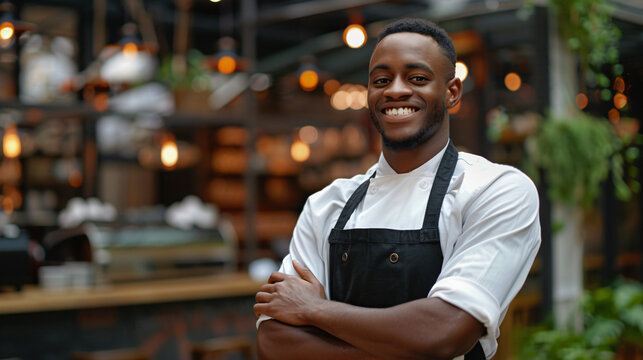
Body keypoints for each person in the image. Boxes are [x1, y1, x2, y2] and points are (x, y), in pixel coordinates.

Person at [254, 17, 541, 360]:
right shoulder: (326, 204)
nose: (395, 90)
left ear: (452, 92)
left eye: (417, 78)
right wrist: (407, 346)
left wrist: (316, 311)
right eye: (382, 80)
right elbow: (275, 341)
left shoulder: (494, 190)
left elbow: (445, 331)